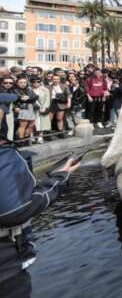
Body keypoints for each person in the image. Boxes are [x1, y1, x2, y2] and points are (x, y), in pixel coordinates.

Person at [0, 87, 80, 297]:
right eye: (5, 108)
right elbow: (16, 211)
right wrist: (59, 179)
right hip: (6, 268)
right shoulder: (3, 154)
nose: (8, 112)